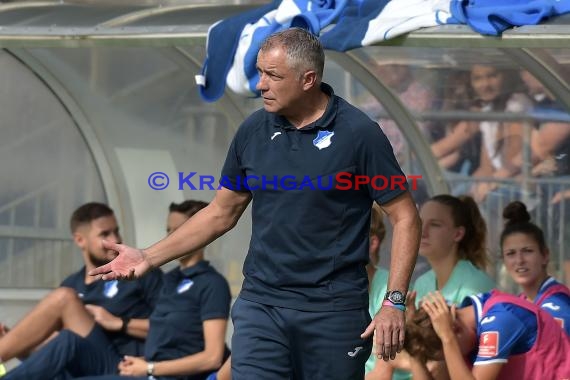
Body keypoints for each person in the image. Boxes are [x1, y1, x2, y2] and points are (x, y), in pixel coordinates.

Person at [90, 27, 421, 380]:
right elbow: (221, 212)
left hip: (333, 311)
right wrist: (149, 256)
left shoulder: (359, 134)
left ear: (308, 79)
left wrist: (393, 302)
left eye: (273, 76)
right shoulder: (253, 131)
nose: (260, 84)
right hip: (262, 305)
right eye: (260, 72)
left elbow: (405, 218)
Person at [1, 203, 163, 379]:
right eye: (105, 234)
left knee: (64, 299)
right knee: (65, 335)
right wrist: (19, 345)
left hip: (123, 366)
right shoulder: (71, 283)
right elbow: (54, 351)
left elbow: (174, 327)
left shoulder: (139, 273)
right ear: (80, 240)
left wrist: (120, 323)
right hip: (80, 366)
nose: (115, 239)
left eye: (116, 231)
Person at [76, 200, 232, 380]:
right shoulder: (169, 279)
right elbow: (168, 340)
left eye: (179, 230)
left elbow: (212, 358)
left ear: (200, 234)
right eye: (168, 230)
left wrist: (150, 368)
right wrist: (141, 362)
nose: (172, 237)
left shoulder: (213, 284)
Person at [367, 194, 495, 380]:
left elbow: (438, 364)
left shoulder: (474, 286)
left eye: (435, 224)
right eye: (420, 222)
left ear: (458, 234)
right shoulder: (423, 282)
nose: (423, 231)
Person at [404, 290, 570, 380]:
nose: (452, 356)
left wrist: (448, 340)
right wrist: (413, 349)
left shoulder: (500, 319)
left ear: (455, 329)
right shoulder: (468, 321)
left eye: (450, 350)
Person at [501, 201, 570, 335]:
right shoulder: (521, 300)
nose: (519, 260)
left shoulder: (558, 304)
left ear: (544, 255)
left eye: (527, 251)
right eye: (511, 254)